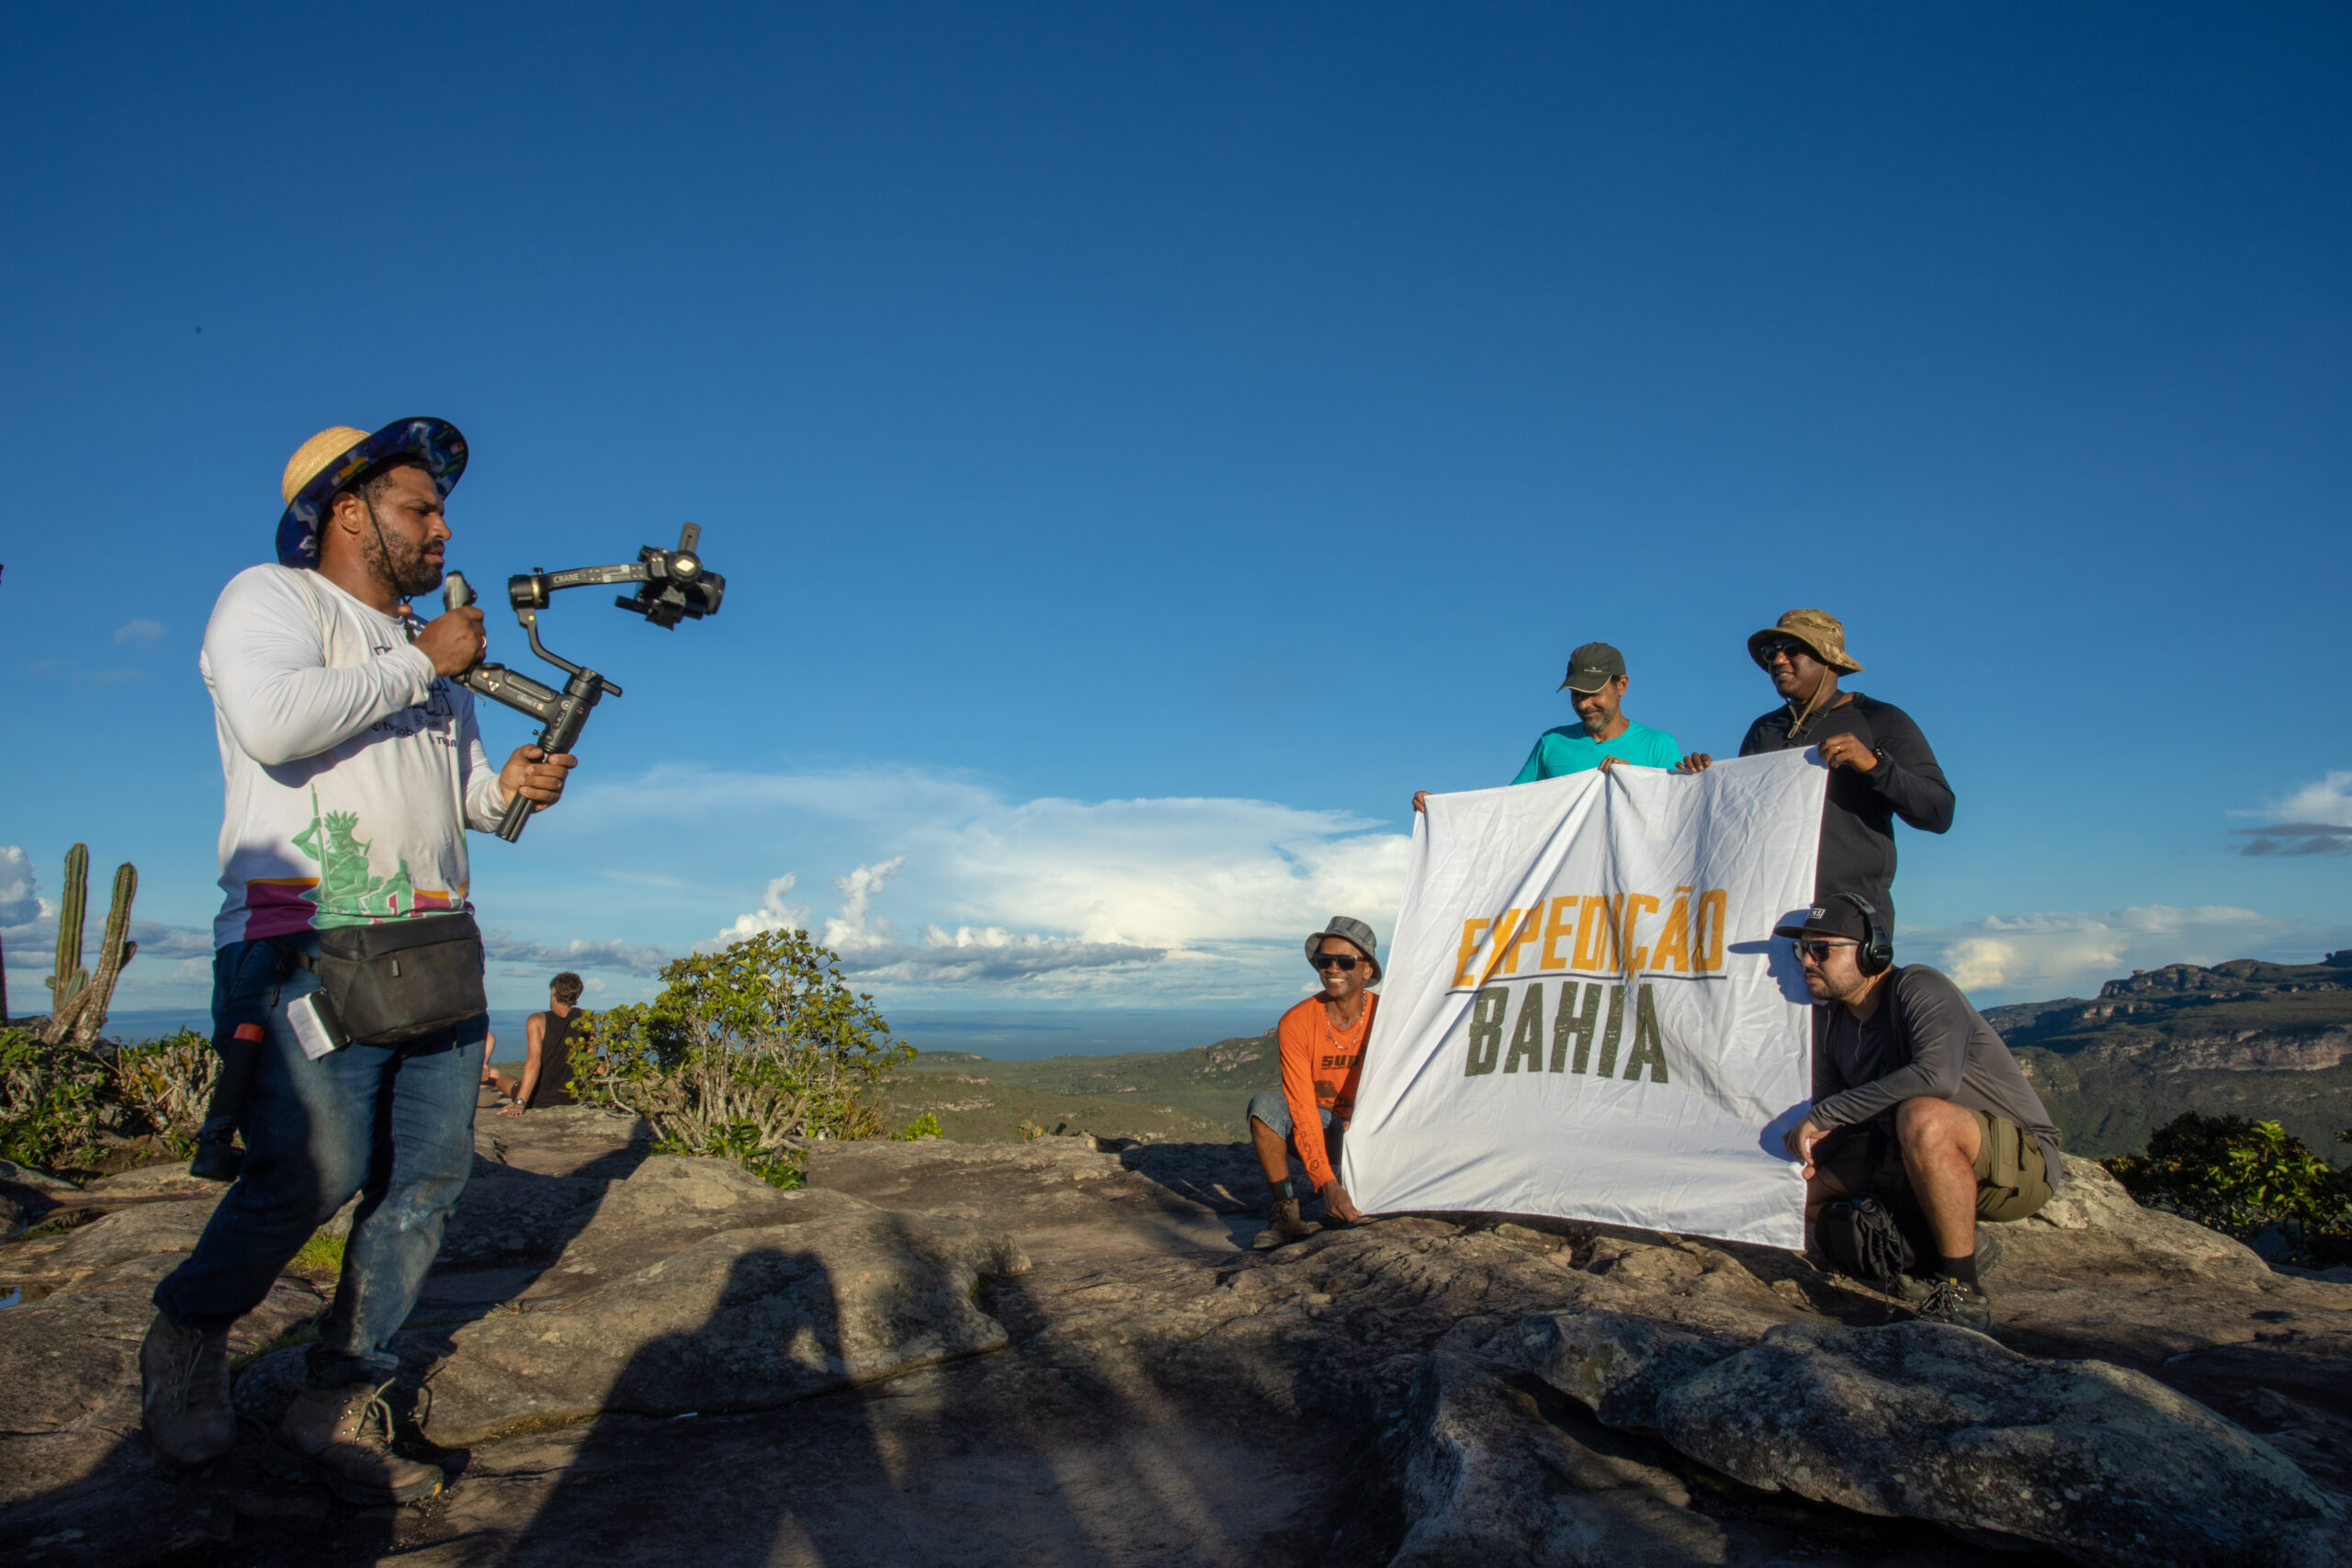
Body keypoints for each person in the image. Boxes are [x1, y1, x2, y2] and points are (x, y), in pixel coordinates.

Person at [141, 419, 577, 1501]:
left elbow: (459, 795)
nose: (441, 529)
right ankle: (188, 1335)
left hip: (432, 939)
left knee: (427, 1175)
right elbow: (275, 723)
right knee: (315, 1170)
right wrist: (418, 659)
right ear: (348, 513)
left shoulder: (435, 650)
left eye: (439, 512)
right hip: (308, 936)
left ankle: (345, 1380)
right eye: (419, 510)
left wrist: (509, 786)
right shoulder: (273, 600)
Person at [1776, 897, 2062, 1334]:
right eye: (1803, 950)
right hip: (1899, 1156)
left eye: (1822, 950)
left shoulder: (1919, 987)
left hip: (2015, 1162)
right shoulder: (1832, 1022)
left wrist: (1830, 1114)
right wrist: (1811, 1155)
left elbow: (1936, 1076)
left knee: (1923, 1116)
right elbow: (1830, 1112)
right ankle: (1936, 1245)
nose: (1807, 962)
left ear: (1873, 953)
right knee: (1792, 1196)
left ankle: (1962, 1290)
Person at [1680, 610, 1951, 931]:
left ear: (1828, 658)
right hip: (1765, 914)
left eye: (1792, 649)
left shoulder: (1880, 719)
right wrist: (1705, 785)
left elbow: (1939, 812)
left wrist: (1873, 765)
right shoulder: (1763, 730)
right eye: (1771, 652)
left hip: (1849, 919)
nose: (1777, 660)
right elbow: (1739, 822)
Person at [1413, 641, 1679, 812]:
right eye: (1576, 694)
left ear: (1621, 685)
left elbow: (1677, 818)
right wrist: (1443, 810)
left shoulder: (1658, 745)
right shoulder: (1552, 743)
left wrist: (1637, 782)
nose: (1584, 705)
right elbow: (1507, 807)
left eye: (1593, 693)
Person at [1245, 917, 1382, 1249]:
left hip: (1373, 1128)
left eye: (1345, 961)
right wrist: (1326, 1184)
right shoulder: (1296, 1022)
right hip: (1323, 1124)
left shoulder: (1387, 1015)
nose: (1333, 968)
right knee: (1264, 1107)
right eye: (1324, 961)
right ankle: (1287, 1211)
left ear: (1366, 971)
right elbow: (1301, 1106)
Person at [499, 971, 585, 1116]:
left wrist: (520, 1103)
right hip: (573, 1097)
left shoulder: (537, 1020)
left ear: (554, 991)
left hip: (540, 1098)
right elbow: (590, 1061)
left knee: (501, 1078)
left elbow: (533, 1063)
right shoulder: (586, 1019)